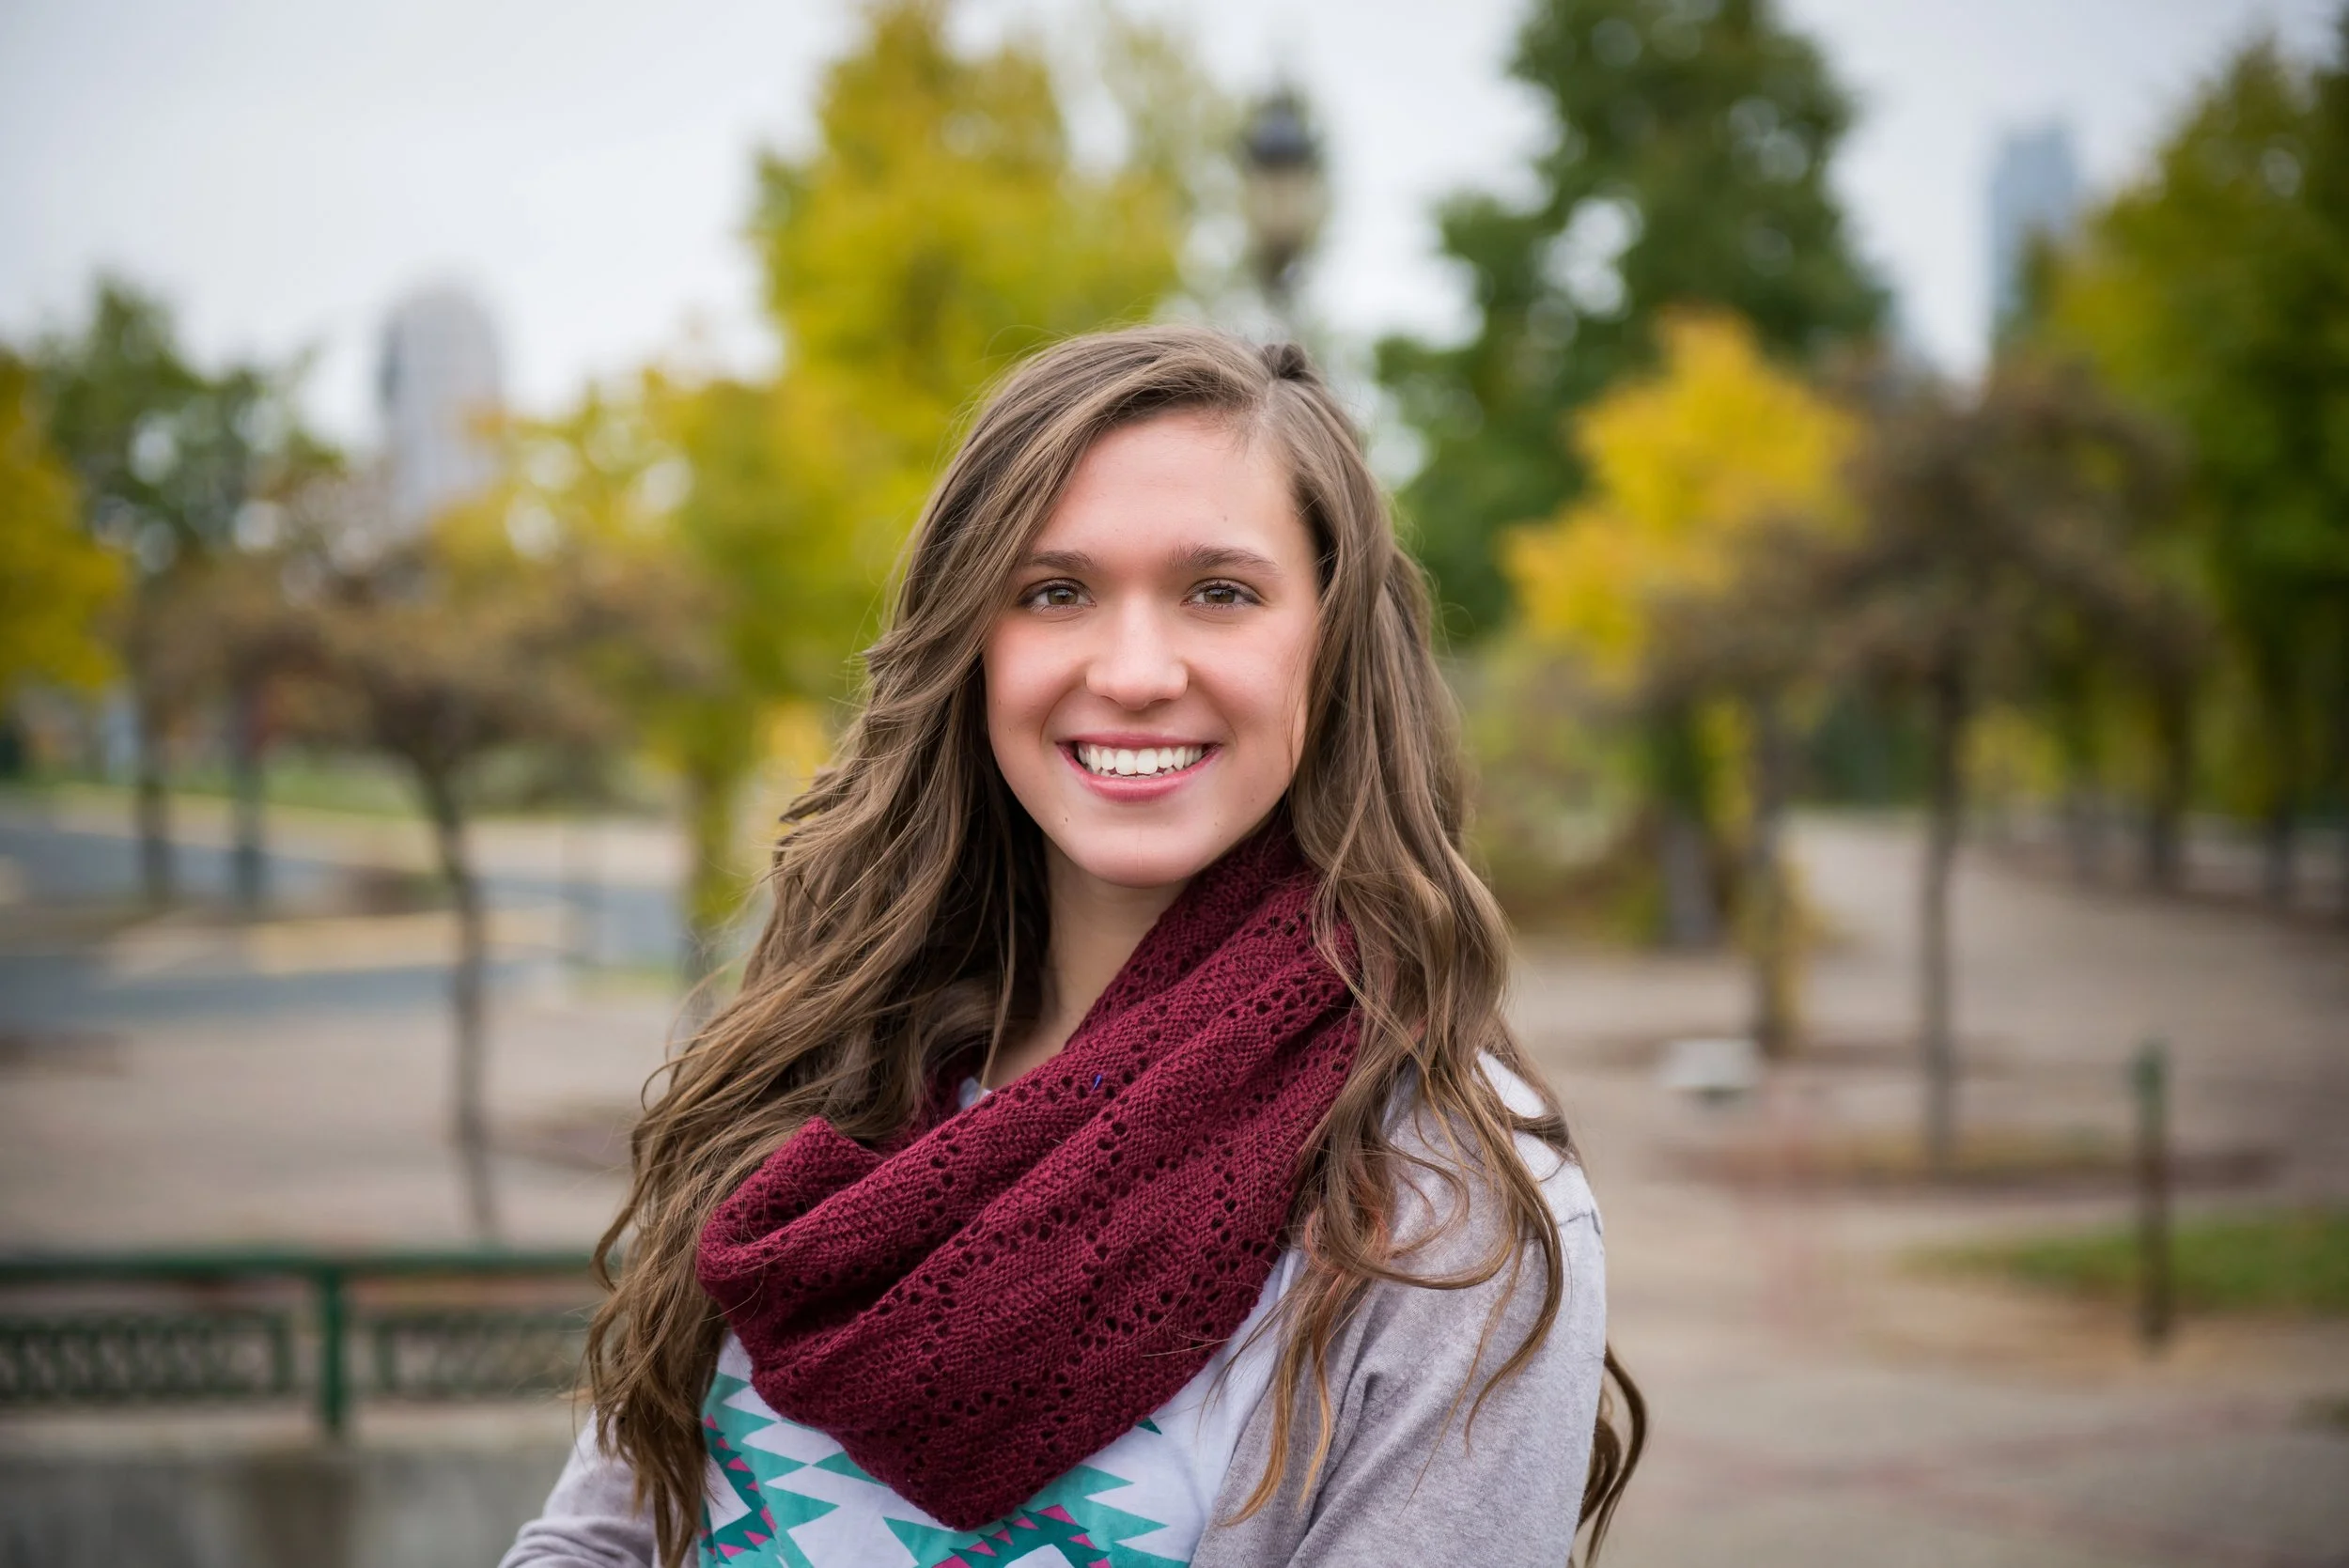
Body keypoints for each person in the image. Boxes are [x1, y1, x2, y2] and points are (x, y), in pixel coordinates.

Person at [501, 325, 1643, 1568]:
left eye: (1220, 590)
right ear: (974, 646)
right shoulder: (818, 1071)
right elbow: (596, 1543)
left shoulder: (1444, 1214)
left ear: (1332, 643)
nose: (1137, 671)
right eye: (1055, 592)